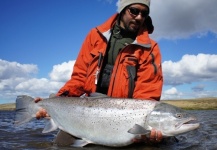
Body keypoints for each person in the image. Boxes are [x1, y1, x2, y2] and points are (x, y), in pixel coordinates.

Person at [35, 0, 163, 145]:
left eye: (144, 13)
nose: (139, 17)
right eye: (134, 11)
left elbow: (147, 95)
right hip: (88, 113)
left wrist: (147, 128)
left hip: (124, 119)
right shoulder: (95, 35)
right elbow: (79, 78)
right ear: (122, 9)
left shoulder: (151, 48)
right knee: (60, 145)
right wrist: (54, 102)